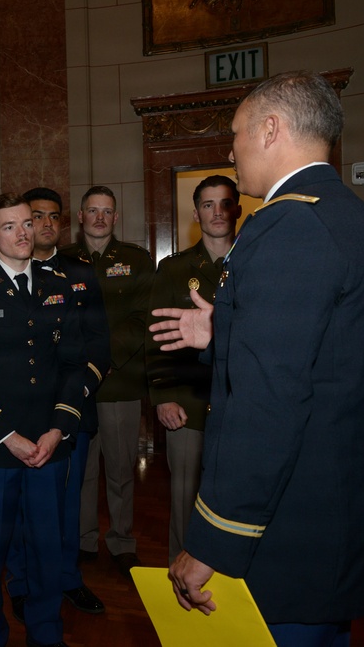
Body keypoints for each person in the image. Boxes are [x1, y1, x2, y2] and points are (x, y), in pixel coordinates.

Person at [152, 71, 364, 646]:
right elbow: (335, 355)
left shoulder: (287, 227)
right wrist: (223, 331)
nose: (231, 150)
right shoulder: (352, 218)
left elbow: (268, 403)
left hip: (287, 534)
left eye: (237, 133)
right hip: (335, 517)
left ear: (270, 129)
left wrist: (214, 540)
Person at [0, 192, 87, 647]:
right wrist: (7, 436)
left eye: (27, 223)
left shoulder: (58, 286)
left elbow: (74, 363)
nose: (23, 233)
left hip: (49, 443)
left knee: (47, 546)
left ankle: (47, 634)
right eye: (10, 226)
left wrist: (57, 428)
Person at [4, 187, 110, 621]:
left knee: (67, 502)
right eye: (36, 217)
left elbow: (98, 345)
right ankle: (21, 581)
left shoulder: (79, 274)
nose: (45, 225)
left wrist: (72, 401)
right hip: (17, 417)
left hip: (70, 413)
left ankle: (66, 577)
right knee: (17, 501)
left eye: (52, 217)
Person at [145, 175, 240, 564]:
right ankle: (178, 582)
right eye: (207, 204)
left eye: (224, 203)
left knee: (237, 502)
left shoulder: (256, 262)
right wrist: (163, 397)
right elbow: (156, 339)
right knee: (185, 500)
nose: (217, 212)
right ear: (196, 212)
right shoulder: (173, 269)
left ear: (236, 209)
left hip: (242, 407)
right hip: (188, 405)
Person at [61, 186, 153, 577]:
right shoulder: (60, 260)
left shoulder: (135, 260)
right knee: (81, 470)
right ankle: (83, 538)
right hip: (74, 386)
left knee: (119, 469)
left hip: (118, 381)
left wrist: (105, 359)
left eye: (107, 211)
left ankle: (121, 539)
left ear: (116, 218)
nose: (100, 217)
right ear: (80, 216)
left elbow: (142, 316)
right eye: (92, 210)